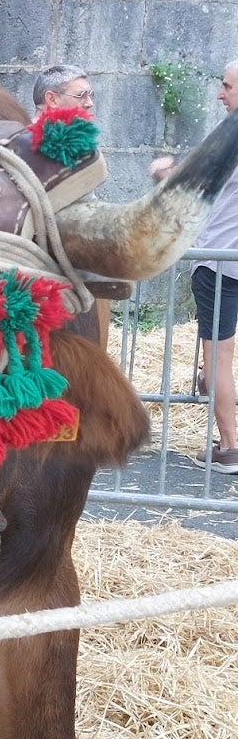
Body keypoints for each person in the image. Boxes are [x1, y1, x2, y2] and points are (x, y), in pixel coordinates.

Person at [150, 60, 238, 472]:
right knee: (218, 356)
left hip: (220, 262)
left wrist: (163, 172)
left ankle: (230, 446)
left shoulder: (229, 136)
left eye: (227, 86)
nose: (220, 93)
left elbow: (186, 184)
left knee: (218, 356)